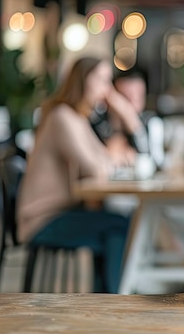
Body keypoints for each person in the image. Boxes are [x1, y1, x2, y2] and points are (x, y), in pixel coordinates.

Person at [17, 56, 130, 293]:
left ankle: (106, 303)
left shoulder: (77, 118)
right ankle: (113, 300)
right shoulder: (62, 117)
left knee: (114, 225)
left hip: (61, 213)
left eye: (108, 81)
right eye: (100, 79)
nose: (106, 89)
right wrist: (119, 109)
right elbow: (98, 167)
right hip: (42, 220)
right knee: (119, 226)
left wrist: (119, 117)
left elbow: (104, 161)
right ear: (82, 80)